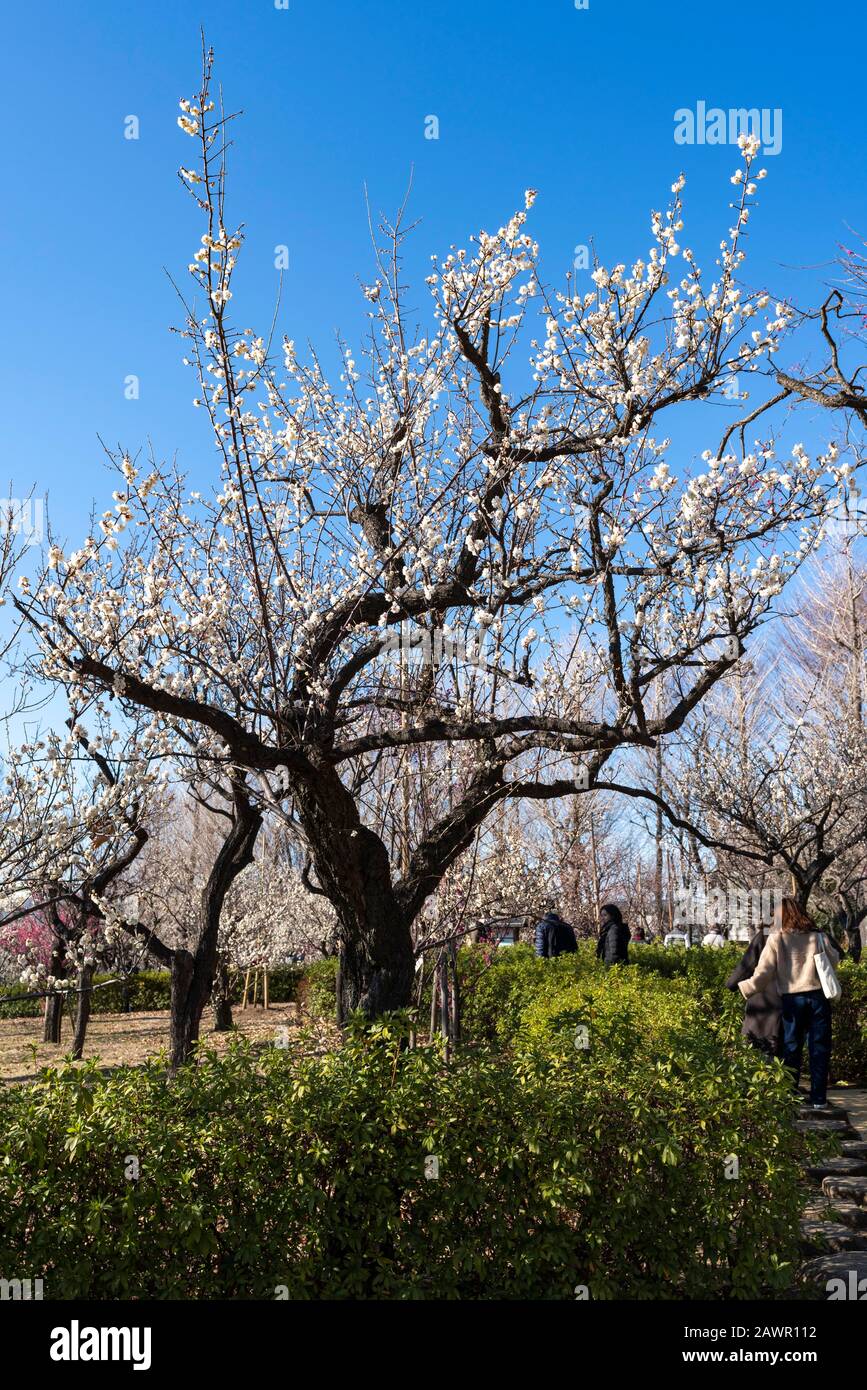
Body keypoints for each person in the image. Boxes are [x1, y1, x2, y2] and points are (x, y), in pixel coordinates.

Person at [736, 897, 842, 1108]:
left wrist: (746, 987)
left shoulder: (777, 939)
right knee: (819, 1049)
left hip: (793, 1000)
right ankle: (819, 1099)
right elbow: (835, 960)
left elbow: (763, 973)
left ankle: (791, 1095)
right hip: (818, 999)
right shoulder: (818, 936)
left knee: (791, 1048)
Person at [726, 922, 783, 1061]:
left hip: (763, 1000)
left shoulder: (766, 935)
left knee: (754, 1050)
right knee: (785, 1055)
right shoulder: (804, 936)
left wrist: (732, 985)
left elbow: (746, 966)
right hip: (792, 1000)